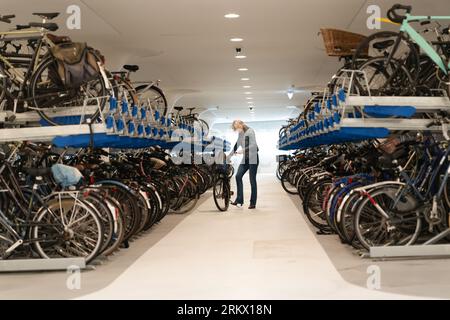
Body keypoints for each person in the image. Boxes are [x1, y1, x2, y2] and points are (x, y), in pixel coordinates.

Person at [229, 120, 259, 209]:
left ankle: (253, 203)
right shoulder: (240, 133)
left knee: (252, 180)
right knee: (238, 176)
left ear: (242, 124)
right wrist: (230, 155)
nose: (237, 130)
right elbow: (237, 143)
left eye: (237, 128)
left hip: (253, 157)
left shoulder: (250, 131)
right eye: (235, 129)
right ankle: (239, 200)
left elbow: (254, 145)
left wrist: (243, 150)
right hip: (245, 158)